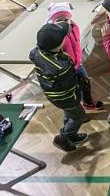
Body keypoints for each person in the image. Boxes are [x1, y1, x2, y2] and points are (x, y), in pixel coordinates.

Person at [29, 23, 89, 152]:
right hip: (67, 96)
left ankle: (70, 134)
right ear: (61, 43)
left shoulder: (37, 52)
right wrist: (82, 84)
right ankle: (63, 138)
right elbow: (72, 84)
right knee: (79, 115)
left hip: (53, 94)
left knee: (70, 112)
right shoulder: (61, 67)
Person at [48, 2, 103, 111]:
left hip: (77, 63)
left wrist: (78, 59)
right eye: (59, 21)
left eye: (66, 20)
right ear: (52, 21)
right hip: (67, 69)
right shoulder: (53, 36)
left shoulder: (73, 26)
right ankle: (77, 111)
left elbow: (76, 44)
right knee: (73, 90)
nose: (64, 23)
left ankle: (87, 102)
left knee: (86, 83)